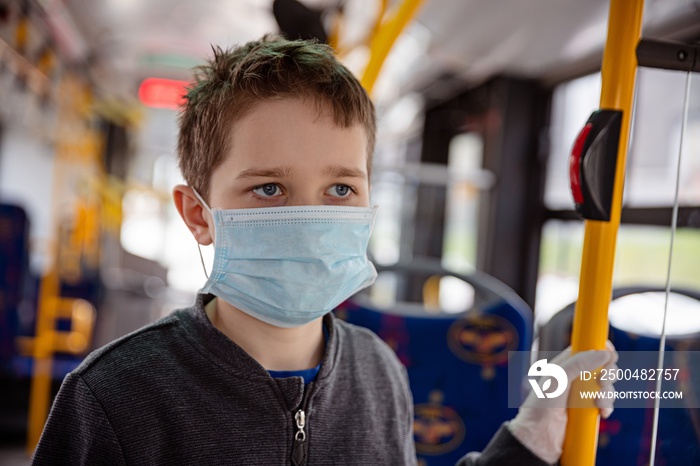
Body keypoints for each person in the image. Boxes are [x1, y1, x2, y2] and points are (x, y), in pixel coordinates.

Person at [31, 35, 617, 466]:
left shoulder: (380, 371)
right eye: (268, 188)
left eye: (340, 189)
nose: (311, 222)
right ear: (197, 215)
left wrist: (532, 436)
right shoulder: (116, 395)